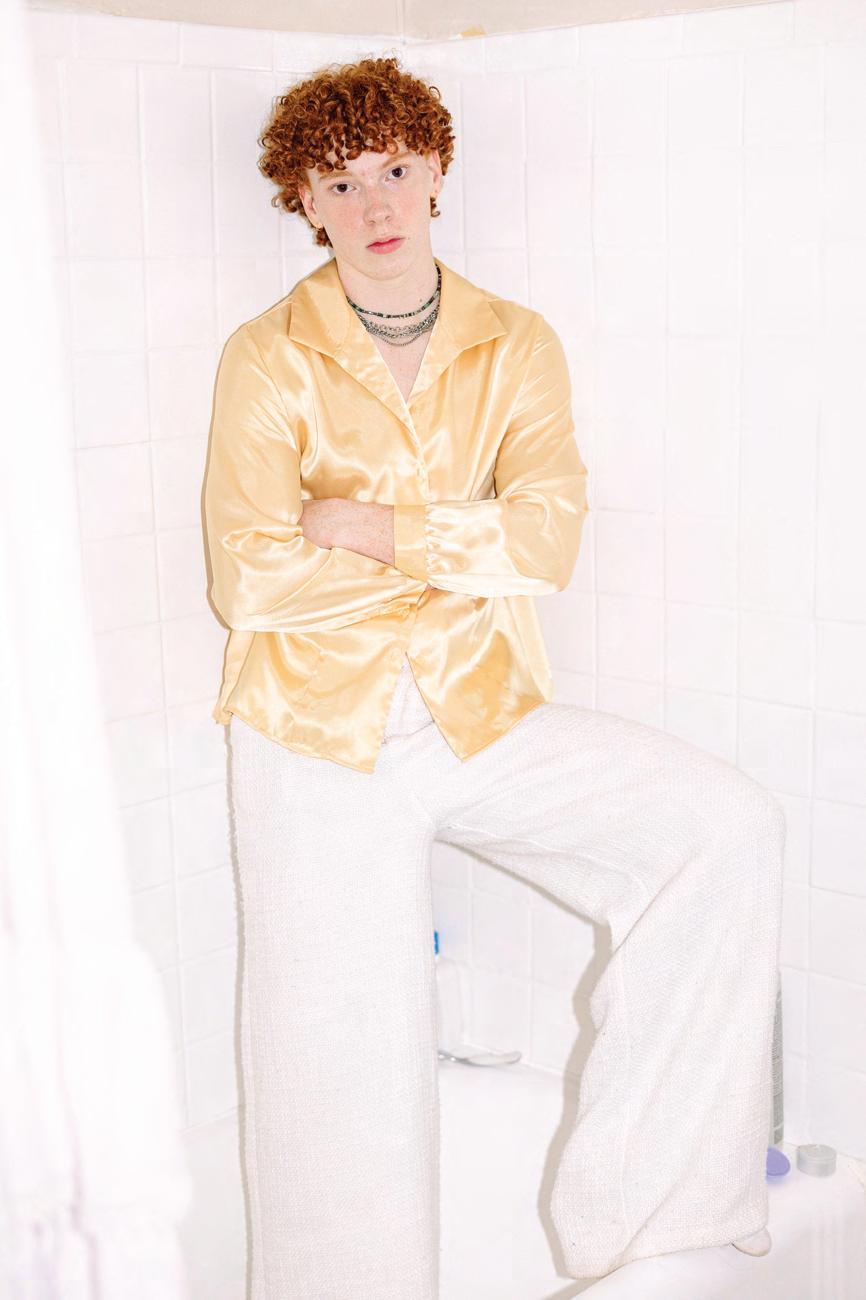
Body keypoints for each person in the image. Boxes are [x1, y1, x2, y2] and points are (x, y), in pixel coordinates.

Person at [202, 54, 785, 1300]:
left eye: (395, 168)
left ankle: (662, 1213)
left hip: (476, 708)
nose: (374, 202)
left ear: (436, 171)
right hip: (313, 738)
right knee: (337, 1065)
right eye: (340, 181)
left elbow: (547, 542)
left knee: (720, 827)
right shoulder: (267, 356)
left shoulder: (514, 343)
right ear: (304, 200)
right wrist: (460, 551)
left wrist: (366, 526)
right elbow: (249, 581)